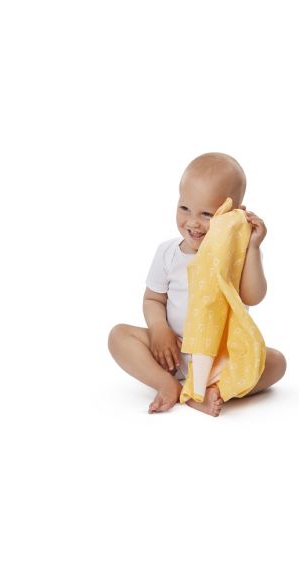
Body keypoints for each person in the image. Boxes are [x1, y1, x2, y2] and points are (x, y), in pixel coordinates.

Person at [107, 152, 287, 417]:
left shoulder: (239, 257)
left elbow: (253, 297)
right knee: (118, 336)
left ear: (233, 215)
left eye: (206, 214)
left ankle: (211, 389)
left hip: (221, 357)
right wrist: (159, 329)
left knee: (276, 362)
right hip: (173, 350)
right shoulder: (168, 253)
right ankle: (167, 383)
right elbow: (153, 299)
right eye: (184, 208)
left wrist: (252, 247)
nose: (192, 222)